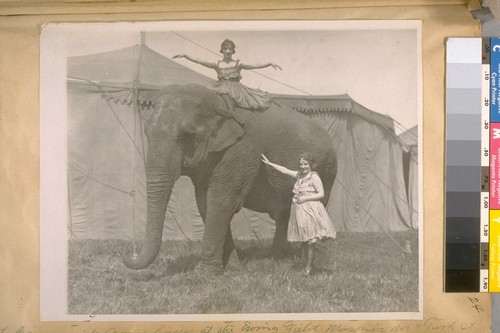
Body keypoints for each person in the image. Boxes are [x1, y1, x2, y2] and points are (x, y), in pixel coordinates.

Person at [261, 153, 337, 275]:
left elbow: (321, 194)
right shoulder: (299, 175)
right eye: (301, 164)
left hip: (311, 209)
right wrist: (270, 164)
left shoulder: (313, 177)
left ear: (311, 165)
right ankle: (305, 265)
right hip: (300, 210)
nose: (303, 166)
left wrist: (305, 199)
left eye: (306, 164)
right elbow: (285, 171)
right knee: (304, 239)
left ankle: (308, 269)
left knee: (311, 240)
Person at [173, 39, 282, 110]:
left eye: (230, 49)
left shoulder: (238, 64)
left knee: (236, 107)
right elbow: (199, 60)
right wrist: (186, 55)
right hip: (220, 87)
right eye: (225, 48)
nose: (228, 51)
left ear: (233, 51)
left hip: (236, 90)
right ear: (222, 50)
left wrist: (269, 63)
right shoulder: (217, 64)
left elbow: (256, 65)